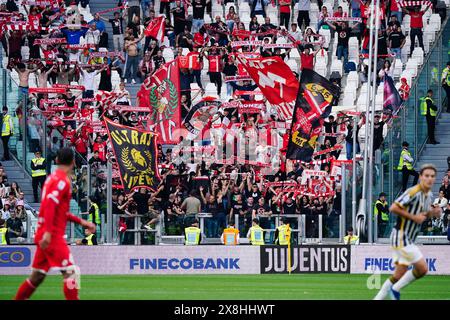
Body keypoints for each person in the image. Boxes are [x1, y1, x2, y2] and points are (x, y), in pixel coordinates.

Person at [14, 148, 96, 300]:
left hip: (45, 233)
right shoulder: (62, 181)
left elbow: (59, 211)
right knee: (72, 272)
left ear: (57, 161)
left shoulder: (51, 179)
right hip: (51, 235)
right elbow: (51, 204)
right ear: (73, 162)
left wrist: (82, 221)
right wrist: (48, 233)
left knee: (36, 277)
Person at [374, 164, 441, 300]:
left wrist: (432, 213)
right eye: (426, 175)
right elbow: (393, 207)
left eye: (432, 176)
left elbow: (422, 214)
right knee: (422, 268)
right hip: (401, 236)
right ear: (421, 177)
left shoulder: (428, 195)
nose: (429, 179)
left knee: (398, 275)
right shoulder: (413, 192)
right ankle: (396, 289)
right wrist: (414, 217)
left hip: (408, 237)